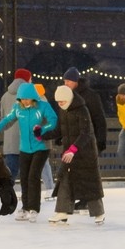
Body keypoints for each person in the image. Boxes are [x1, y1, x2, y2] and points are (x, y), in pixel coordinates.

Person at [44, 85, 105, 224]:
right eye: (58, 102)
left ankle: (99, 213)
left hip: (86, 153)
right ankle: (62, 212)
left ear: (69, 99)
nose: (60, 104)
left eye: (62, 102)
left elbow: (87, 134)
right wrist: (42, 135)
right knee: (65, 180)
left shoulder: (82, 110)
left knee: (89, 183)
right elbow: (58, 131)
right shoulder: (63, 111)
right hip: (69, 153)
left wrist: (73, 149)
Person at [0, 82, 57, 222]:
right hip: (24, 148)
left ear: (33, 97)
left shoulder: (43, 106)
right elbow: (7, 120)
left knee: (33, 176)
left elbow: (53, 121)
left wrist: (42, 130)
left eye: (26, 98)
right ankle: (25, 207)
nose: (24, 101)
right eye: (21, 99)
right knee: (24, 177)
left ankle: (34, 208)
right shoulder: (18, 108)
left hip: (41, 147)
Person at [63, 67, 107, 155]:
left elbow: (99, 119)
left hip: (88, 140)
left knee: (87, 166)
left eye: (68, 81)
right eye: (64, 81)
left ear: (75, 81)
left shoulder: (91, 96)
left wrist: (101, 141)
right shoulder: (66, 96)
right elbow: (64, 118)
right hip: (71, 141)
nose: (65, 84)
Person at [0, 68, 31, 182]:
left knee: (9, 175)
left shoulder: (4, 96)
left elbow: (3, 118)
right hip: (25, 141)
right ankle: (26, 198)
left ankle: (5, 196)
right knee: (28, 176)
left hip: (10, 143)